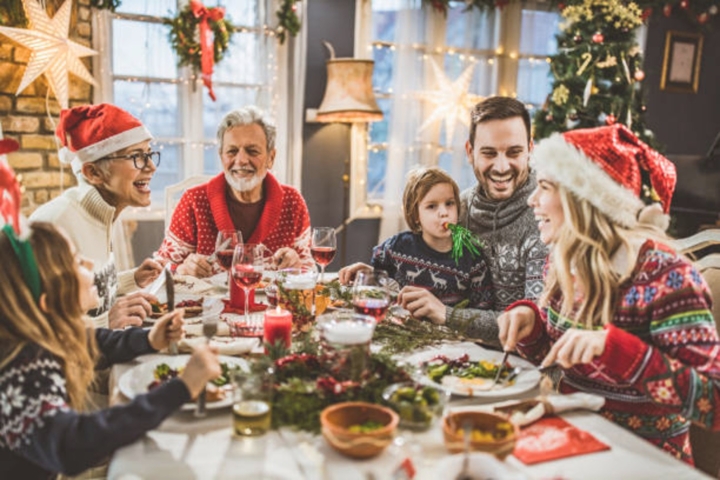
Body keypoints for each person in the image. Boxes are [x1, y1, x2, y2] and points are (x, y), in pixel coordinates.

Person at [498, 124, 720, 463]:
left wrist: (618, 350)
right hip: (571, 444)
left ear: (582, 201)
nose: (532, 199)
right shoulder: (563, 261)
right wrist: (531, 324)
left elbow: (713, 404)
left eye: (543, 187)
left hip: (644, 461)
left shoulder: (666, 278)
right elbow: (555, 355)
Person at [0, 221, 221, 479]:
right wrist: (181, 388)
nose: (90, 264)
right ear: (48, 302)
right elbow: (72, 445)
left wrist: (149, 339)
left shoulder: (39, 336)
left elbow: (94, 342)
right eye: (77, 262)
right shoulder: (19, 369)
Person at [381, 97, 547, 342]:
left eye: (514, 152)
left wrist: (446, 314)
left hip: (523, 368)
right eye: (489, 153)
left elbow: (535, 326)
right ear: (470, 152)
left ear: (530, 149)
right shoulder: (458, 209)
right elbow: (418, 266)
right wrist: (377, 276)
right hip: (453, 353)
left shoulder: (546, 219)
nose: (501, 167)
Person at [30, 104, 163, 329]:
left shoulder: (103, 212)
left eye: (149, 154)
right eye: (137, 156)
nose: (151, 166)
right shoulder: (54, 226)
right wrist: (106, 321)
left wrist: (133, 279)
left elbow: (89, 293)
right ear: (93, 173)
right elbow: (34, 326)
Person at [155, 106, 312, 277]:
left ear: (270, 158)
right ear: (221, 156)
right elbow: (159, 270)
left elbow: (308, 270)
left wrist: (297, 266)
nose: (241, 160)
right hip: (206, 304)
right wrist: (180, 269)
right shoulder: (194, 201)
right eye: (232, 151)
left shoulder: (292, 201)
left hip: (272, 304)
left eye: (252, 151)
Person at [339, 167, 493, 311]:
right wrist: (369, 275)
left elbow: (481, 309)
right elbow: (382, 288)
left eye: (449, 203)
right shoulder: (396, 247)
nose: (444, 212)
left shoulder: (472, 260)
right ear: (415, 215)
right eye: (432, 206)